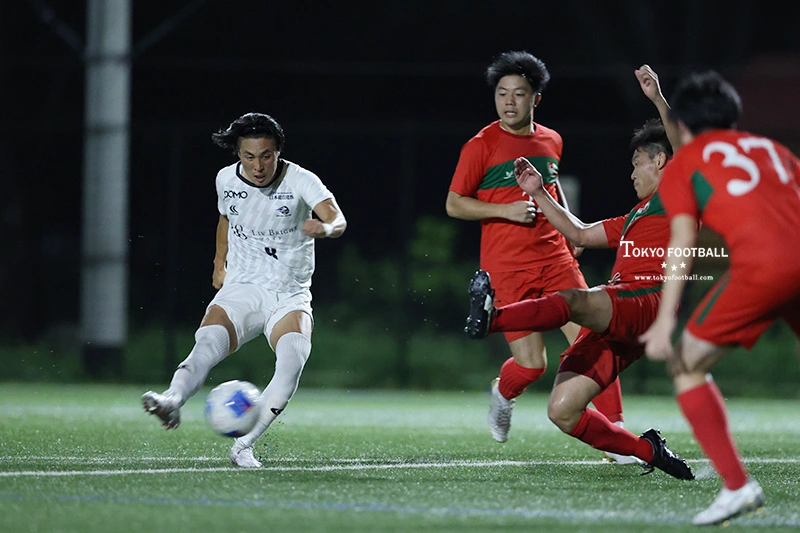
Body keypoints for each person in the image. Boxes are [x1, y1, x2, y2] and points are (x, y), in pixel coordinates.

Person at [464, 65, 695, 480]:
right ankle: (648, 450)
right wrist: (538, 192)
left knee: (574, 300)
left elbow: (684, 150)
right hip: (624, 314)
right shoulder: (635, 216)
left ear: (661, 161)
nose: (631, 173)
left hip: (648, 301)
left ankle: (492, 318)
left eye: (637, 163)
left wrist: (658, 99)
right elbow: (580, 233)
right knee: (562, 411)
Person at [445, 51, 629, 456]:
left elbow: (551, 184)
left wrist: (570, 227)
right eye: (502, 93)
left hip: (556, 260)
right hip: (507, 269)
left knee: (597, 339)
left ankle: (615, 432)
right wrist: (504, 210)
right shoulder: (480, 145)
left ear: (536, 99)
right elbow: (454, 203)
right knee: (532, 365)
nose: (509, 101)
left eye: (519, 93)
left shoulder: (551, 140)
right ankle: (502, 393)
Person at [142, 112, 347, 468]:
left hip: (288, 294)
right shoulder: (225, 179)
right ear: (238, 154)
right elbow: (226, 217)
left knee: (292, 361)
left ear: (278, 152)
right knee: (206, 342)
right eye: (249, 156)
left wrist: (326, 229)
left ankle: (243, 446)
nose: (258, 166)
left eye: (266, 155)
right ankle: (172, 400)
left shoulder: (301, 180)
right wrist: (218, 263)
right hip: (243, 286)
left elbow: (338, 219)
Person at [640, 70, 800, 525]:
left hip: (768, 266)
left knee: (685, 364)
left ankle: (737, 486)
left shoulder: (686, 162)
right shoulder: (773, 149)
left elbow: (682, 242)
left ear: (683, 125)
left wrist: (664, 320)